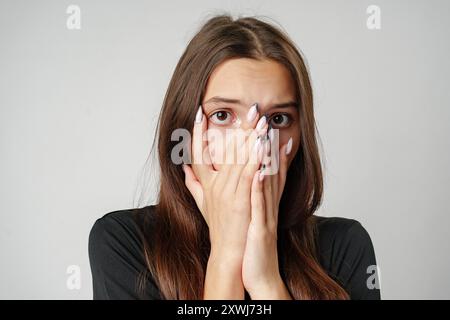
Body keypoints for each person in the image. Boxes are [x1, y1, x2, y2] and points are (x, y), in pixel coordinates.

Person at [88, 14, 381, 300]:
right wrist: (226, 257)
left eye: (278, 119)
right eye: (223, 115)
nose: (255, 141)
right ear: (185, 130)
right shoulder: (124, 243)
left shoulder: (344, 245)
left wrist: (267, 282)